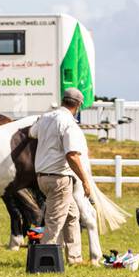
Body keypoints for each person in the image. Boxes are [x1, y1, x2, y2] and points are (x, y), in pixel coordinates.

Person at [28, 87, 96, 266]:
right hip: (59, 178)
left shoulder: (46, 117)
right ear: (78, 105)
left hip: (42, 177)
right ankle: (43, 261)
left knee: (72, 215)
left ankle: (75, 258)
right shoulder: (69, 123)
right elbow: (72, 155)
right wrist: (85, 180)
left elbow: (31, 133)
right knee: (54, 222)